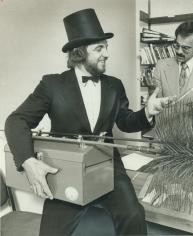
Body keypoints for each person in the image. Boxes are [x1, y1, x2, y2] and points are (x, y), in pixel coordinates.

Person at [5, 8, 170, 236]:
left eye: (106, 47)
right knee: (51, 232)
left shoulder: (115, 85)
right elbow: (16, 120)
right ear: (80, 52)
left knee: (133, 214)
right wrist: (28, 161)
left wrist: (147, 113)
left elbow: (125, 121)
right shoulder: (51, 85)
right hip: (66, 170)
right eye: (99, 48)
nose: (106, 54)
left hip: (107, 167)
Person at [153, 21, 193, 98]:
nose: (179, 51)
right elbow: (155, 103)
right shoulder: (161, 66)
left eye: (185, 48)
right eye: (177, 45)